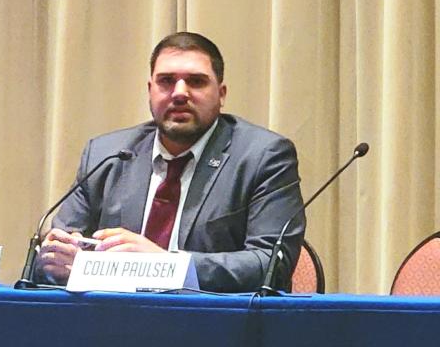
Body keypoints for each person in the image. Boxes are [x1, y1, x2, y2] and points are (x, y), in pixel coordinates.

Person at [37, 32, 304, 292]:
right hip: (111, 322)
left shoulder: (263, 156)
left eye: (196, 81)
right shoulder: (106, 154)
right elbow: (52, 258)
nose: (179, 93)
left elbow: (271, 264)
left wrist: (165, 265)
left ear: (221, 94)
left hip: (211, 325)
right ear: (150, 90)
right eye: (166, 81)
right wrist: (58, 259)